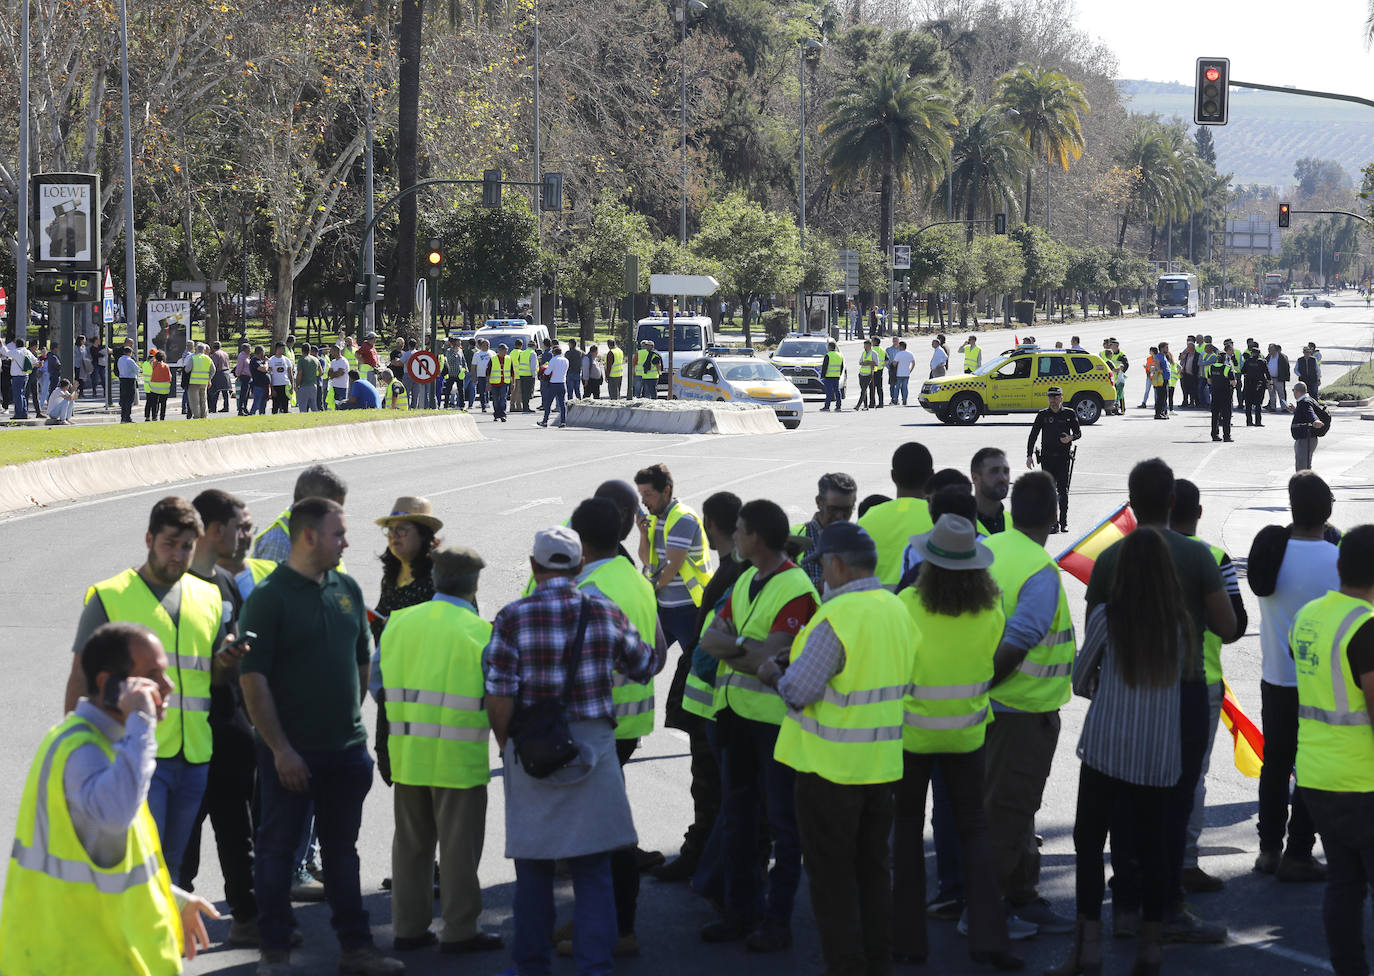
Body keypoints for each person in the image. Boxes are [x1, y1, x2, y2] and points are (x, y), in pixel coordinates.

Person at [484, 525, 664, 976]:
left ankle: (530, 965)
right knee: (593, 869)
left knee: (535, 869)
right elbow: (644, 665)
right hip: (595, 749)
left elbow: (499, 695)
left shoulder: (512, 616)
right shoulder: (604, 611)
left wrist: (509, 746)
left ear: (533, 567)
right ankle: (594, 965)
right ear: (580, 564)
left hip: (533, 749)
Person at [238, 498, 404, 975]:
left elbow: (361, 658)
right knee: (275, 851)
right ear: (308, 536)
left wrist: (351, 724)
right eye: (338, 534)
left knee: (341, 856)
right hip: (291, 755)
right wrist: (281, 749)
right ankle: (274, 953)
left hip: (344, 753)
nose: (346, 542)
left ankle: (357, 950)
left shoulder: (347, 588)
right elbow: (253, 680)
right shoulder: (269, 598)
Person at [0, 622, 220, 972]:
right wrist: (142, 723)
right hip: (78, 961)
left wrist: (173, 899)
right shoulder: (83, 751)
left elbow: (104, 855)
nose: (168, 686)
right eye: (152, 675)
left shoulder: (104, 745)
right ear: (109, 685)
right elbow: (115, 814)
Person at [1085, 459, 1238, 944]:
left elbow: (1095, 630)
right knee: (1172, 806)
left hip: (1125, 693)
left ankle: (1125, 906)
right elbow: (1229, 627)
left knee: (1124, 807)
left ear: (1131, 504)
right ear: (1172, 502)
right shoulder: (1197, 556)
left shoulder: (1110, 558)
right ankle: (1168, 907)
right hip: (1186, 689)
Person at [763, 521, 919, 976]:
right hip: (882, 767)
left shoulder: (836, 617)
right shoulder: (895, 609)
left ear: (835, 564)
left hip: (829, 774)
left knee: (832, 881)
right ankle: (878, 962)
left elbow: (798, 691)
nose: (822, 577)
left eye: (823, 567)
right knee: (873, 873)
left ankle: (847, 966)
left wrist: (773, 673)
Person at [67, 497, 230, 887]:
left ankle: (161, 945)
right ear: (148, 539)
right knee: (138, 865)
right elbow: (80, 680)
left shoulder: (208, 596)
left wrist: (228, 661)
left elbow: (215, 679)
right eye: (169, 543)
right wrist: (76, 753)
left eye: (186, 546)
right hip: (133, 754)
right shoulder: (109, 596)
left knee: (170, 870)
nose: (177, 555)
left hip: (194, 757)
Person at [1049, 528, 1189, 976]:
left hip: (1108, 744)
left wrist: (1104, 686)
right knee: (1153, 848)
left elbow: (1080, 679)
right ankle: (1151, 948)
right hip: (1157, 751)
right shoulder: (1181, 623)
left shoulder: (1108, 617)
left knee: (1089, 842)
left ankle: (1086, 948)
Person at [893, 514, 1021, 971]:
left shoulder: (907, 602)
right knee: (976, 836)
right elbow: (990, 664)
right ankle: (990, 939)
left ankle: (907, 941)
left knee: (905, 834)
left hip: (911, 736)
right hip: (968, 734)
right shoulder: (991, 608)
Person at [697, 500, 819, 950]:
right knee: (740, 823)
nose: (735, 536)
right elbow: (711, 639)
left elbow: (775, 657)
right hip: (736, 718)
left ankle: (777, 920)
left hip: (775, 724)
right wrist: (748, 650)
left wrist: (739, 647)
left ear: (757, 539)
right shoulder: (747, 577)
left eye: (741, 530)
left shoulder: (796, 588)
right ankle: (739, 912)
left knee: (783, 826)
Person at [377, 545, 502, 955]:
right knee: (458, 850)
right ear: (474, 585)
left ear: (434, 579)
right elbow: (499, 695)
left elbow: (378, 686)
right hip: (459, 761)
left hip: (408, 755)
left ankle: (408, 929)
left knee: (410, 848)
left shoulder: (399, 623)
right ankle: (460, 930)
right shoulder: (481, 634)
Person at [563, 497, 669, 957]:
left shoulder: (590, 590)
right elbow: (659, 654)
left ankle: (613, 927)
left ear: (580, 544)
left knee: (602, 831)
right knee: (607, 824)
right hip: (633, 718)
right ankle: (602, 920)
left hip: (598, 723)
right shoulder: (636, 579)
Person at [984, 472, 1078, 935]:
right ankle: (986, 915)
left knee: (1013, 811)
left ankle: (1022, 896)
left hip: (999, 711)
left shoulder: (993, 550)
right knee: (1009, 812)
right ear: (1054, 514)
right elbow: (1018, 640)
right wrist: (985, 684)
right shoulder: (1038, 570)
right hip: (1021, 710)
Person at [1247, 471, 1338, 883]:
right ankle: (1299, 850)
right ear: (1328, 511)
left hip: (1276, 678)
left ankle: (1268, 850)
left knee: (1275, 762)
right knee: (1311, 767)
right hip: (1322, 683)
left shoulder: (1272, 555)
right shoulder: (1337, 562)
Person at [1291, 524, 1374, 976]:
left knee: (1343, 885)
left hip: (1318, 777)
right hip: (1364, 781)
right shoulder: (1366, 627)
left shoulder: (1311, 615)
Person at [1170, 479, 1249, 895]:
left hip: (1146, 680)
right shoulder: (1214, 557)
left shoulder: (1139, 554)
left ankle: (1141, 859)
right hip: (1200, 680)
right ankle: (1184, 862)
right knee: (1192, 776)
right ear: (1199, 514)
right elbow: (1235, 627)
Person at [857, 442, 934, 586]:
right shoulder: (945, 520)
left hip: (876, 606)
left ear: (893, 475)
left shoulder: (866, 520)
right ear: (931, 475)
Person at [370, 498, 441, 648]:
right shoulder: (391, 576)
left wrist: (403, 626)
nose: (393, 534)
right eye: (390, 528)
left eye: (402, 528)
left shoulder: (440, 578)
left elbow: (447, 630)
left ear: (423, 534)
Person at [1025, 387, 1080, 534]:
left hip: (1063, 459)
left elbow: (1078, 432)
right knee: (1049, 492)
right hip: (1047, 459)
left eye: (1056, 397)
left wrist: (1070, 438)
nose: (1053, 400)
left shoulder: (1069, 413)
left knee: (1063, 491)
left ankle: (1064, 522)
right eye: (1051, 397)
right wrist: (1029, 455)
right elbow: (1033, 435)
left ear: (1061, 398)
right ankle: (1053, 523)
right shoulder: (1042, 415)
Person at [792, 472, 858, 587]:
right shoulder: (796, 538)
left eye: (847, 510)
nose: (840, 516)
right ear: (819, 502)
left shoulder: (859, 541)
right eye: (833, 509)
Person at [970, 447, 1010, 535]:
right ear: (975, 478)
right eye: (994, 471)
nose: (1003, 478)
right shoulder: (958, 526)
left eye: (1006, 471)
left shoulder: (1015, 524)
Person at [1203, 344, 1235, 442]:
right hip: (1225, 394)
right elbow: (1233, 382)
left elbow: (1209, 381)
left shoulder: (1211, 368)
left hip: (1215, 393)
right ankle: (1226, 436)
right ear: (1225, 358)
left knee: (1215, 415)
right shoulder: (1227, 368)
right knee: (1226, 416)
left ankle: (1214, 435)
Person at [1292, 382, 1325, 471]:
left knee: (1302, 467)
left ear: (1297, 392)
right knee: (1305, 466)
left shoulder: (1305, 402)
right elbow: (1304, 415)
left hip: (1305, 439)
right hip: (1306, 438)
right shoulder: (1307, 400)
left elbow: (1310, 413)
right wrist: (1295, 410)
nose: (1293, 393)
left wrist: (1315, 420)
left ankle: (1303, 484)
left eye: (1293, 390)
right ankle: (1306, 484)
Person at [537, 343, 569, 428]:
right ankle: (563, 421)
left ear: (554, 353)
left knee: (548, 403)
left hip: (553, 383)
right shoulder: (566, 360)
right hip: (562, 383)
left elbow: (547, 372)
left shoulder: (553, 360)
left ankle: (545, 421)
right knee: (562, 404)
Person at [1241, 348, 1270, 427]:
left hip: (1249, 384)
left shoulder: (1247, 361)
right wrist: (1270, 383)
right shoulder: (1262, 362)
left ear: (1252, 353)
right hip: (1259, 385)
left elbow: (1243, 371)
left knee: (1248, 404)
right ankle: (1258, 421)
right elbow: (1267, 373)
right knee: (1258, 403)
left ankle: (1249, 421)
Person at [186, 342, 213, 419]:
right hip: (204, 382)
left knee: (195, 401)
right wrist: (209, 378)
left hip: (193, 382)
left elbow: (187, 369)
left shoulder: (193, 358)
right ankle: (204, 416)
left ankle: (197, 416)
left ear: (196, 349)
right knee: (203, 400)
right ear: (204, 350)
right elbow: (213, 370)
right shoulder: (208, 358)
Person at [487, 343, 512, 422]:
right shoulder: (493, 359)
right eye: (504, 350)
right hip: (494, 383)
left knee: (503, 398)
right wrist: (488, 383)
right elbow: (488, 372)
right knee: (495, 399)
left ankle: (503, 415)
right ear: (500, 350)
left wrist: (513, 383)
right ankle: (496, 414)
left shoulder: (508, 358)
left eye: (506, 350)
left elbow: (512, 372)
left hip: (504, 382)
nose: (506, 352)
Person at [146, 351, 172, 421]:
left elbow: (150, 361)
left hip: (154, 388)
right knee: (163, 404)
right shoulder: (166, 366)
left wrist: (154, 356)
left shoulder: (154, 364)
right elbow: (170, 377)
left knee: (154, 403)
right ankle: (162, 417)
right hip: (164, 388)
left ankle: (154, 417)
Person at [117, 343, 140, 422]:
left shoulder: (120, 359)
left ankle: (123, 417)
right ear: (129, 353)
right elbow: (137, 369)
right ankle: (128, 417)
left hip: (122, 380)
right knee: (129, 400)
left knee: (123, 399)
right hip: (130, 380)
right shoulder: (130, 360)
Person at [295, 343, 320, 413]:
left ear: (302, 350)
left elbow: (299, 374)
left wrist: (297, 385)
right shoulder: (315, 359)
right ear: (310, 350)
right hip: (313, 386)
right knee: (314, 407)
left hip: (304, 386)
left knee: (303, 408)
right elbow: (320, 372)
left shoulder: (302, 360)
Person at [820, 340, 844, 411]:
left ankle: (827, 406)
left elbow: (825, 367)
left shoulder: (828, 355)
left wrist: (823, 376)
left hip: (828, 376)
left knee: (829, 392)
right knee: (837, 392)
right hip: (836, 376)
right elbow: (841, 366)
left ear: (830, 347)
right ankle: (838, 406)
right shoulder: (840, 355)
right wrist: (839, 374)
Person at [1267, 343, 1291, 412]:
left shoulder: (1282, 357)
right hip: (1270, 379)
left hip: (1279, 379)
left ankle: (1284, 407)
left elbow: (1286, 368)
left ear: (1275, 350)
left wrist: (1285, 378)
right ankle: (1272, 407)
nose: (1269, 351)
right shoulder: (1268, 357)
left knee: (1281, 394)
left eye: (1270, 350)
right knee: (1271, 393)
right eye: (1269, 350)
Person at [327, 343, 351, 409]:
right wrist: (333, 374)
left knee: (342, 404)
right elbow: (329, 373)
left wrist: (333, 375)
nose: (331, 353)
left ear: (336, 351)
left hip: (342, 387)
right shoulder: (333, 362)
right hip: (334, 386)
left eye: (332, 351)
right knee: (336, 404)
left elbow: (340, 373)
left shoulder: (343, 361)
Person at [471, 338, 492, 411]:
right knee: (482, 391)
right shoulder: (477, 354)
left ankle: (490, 403)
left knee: (492, 391)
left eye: (488, 345)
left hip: (491, 376)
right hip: (481, 376)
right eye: (485, 345)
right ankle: (483, 406)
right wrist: (474, 376)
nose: (487, 346)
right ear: (481, 346)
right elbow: (473, 366)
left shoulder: (492, 353)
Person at [248, 345, 270, 415]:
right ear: (261, 352)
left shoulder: (261, 361)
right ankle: (251, 415)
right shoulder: (254, 360)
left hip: (265, 385)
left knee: (263, 404)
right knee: (256, 404)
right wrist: (266, 362)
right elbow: (264, 369)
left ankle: (262, 415)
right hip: (258, 385)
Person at [892, 340, 916, 405]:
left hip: (899, 373)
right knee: (905, 387)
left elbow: (894, 363)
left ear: (901, 347)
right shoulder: (910, 354)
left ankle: (896, 400)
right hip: (906, 373)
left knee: (897, 387)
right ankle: (904, 400)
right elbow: (913, 363)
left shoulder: (898, 354)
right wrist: (910, 370)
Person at [856, 340, 878, 411]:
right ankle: (865, 406)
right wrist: (866, 363)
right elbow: (860, 362)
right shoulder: (863, 353)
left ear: (869, 346)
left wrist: (868, 362)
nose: (864, 347)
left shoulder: (874, 353)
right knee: (863, 390)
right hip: (861, 374)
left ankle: (858, 405)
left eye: (865, 345)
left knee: (864, 390)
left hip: (869, 374)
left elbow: (876, 363)